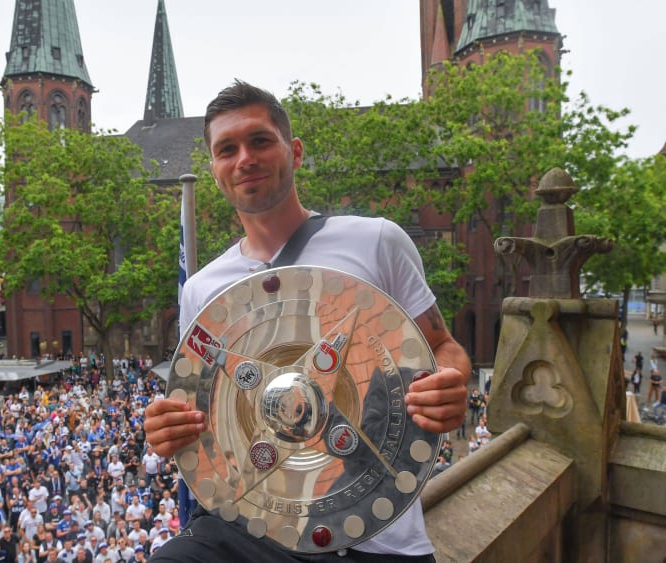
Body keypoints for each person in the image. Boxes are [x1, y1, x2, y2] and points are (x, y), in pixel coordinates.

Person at [143, 81, 471, 562]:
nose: (244, 159)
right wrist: (168, 426)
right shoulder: (201, 291)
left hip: (377, 539)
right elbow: (211, 417)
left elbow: (443, 345)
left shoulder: (377, 241)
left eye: (260, 141)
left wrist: (451, 382)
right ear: (215, 170)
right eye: (226, 149)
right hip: (257, 531)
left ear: (293, 151)